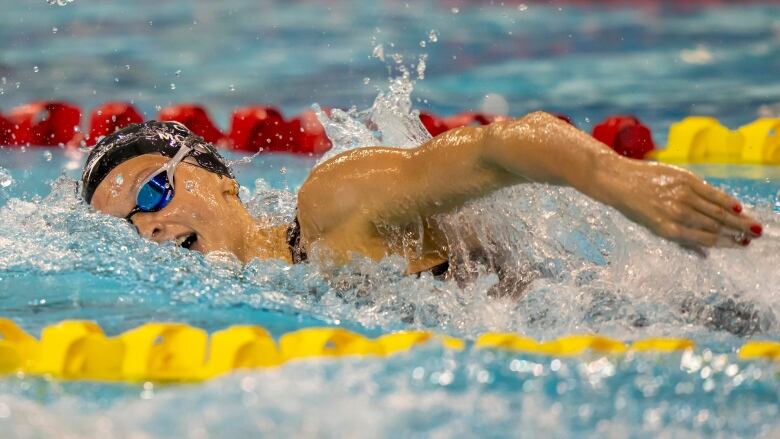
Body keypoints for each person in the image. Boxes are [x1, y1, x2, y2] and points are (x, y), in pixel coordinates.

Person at [81, 113, 763, 278]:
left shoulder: (333, 204)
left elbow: (499, 146)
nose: (152, 227)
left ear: (220, 175)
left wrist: (623, 180)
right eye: (129, 229)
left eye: (155, 189)